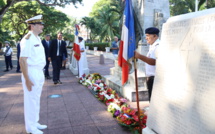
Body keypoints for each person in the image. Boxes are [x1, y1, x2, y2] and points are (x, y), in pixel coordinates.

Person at [19, 15, 47, 134]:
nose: (42, 26)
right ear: (32, 25)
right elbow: (22, 60)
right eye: (40, 24)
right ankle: (30, 128)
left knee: (36, 99)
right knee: (31, 100)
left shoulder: (37, 38)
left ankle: (35, 122)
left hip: (39, 71)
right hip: (31, 72)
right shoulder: (28, 39)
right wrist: (27, 79)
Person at [134, 27, 160, 101]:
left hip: (155, 78)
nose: (146, 38)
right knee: (151, 99)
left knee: (154, 100)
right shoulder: (152, 46)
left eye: (148, 36)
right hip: (150, 78)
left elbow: (154, 62)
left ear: (155, 36)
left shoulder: (158, 46)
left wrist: (139, 56)